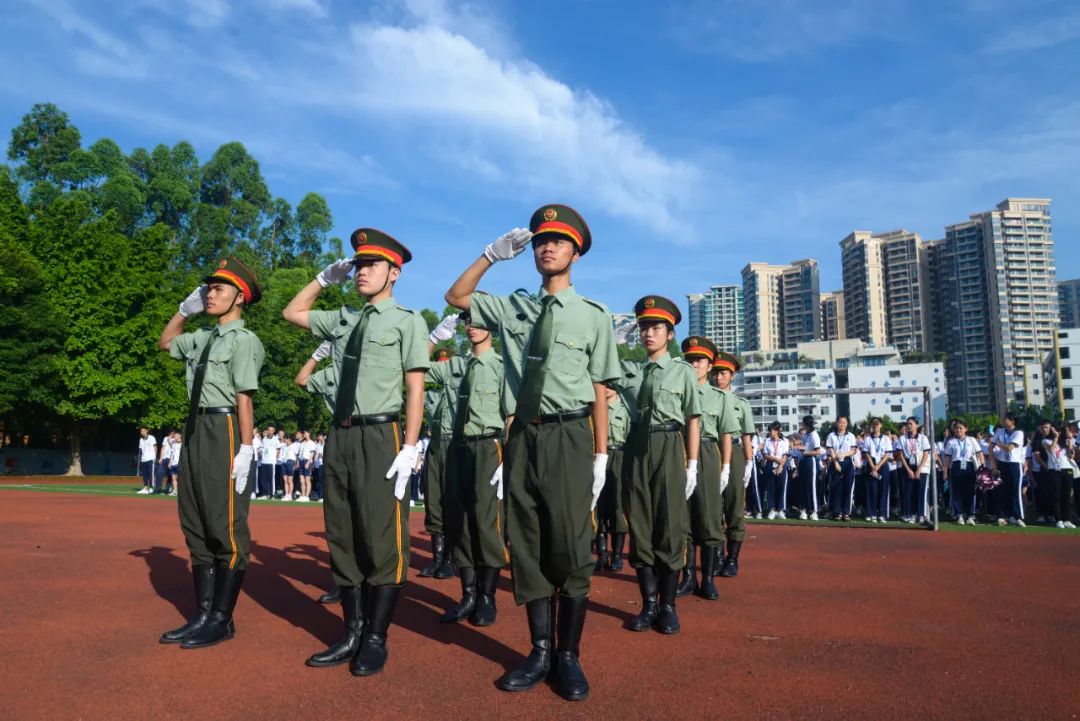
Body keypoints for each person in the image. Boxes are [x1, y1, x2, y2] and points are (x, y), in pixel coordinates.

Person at [444, 205, 619, 701]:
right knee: (527, 543)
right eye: (541, 240)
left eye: (558, 241)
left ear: (576, 253)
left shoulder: (594, 316)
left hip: (569, 434)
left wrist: (601, 455)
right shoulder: (513, 308)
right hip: (522, 435)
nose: (547, 247)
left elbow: (600, 387)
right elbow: (456, 296)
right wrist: (489, 256)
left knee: (570, 544)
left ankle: (569, 656)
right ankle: (539, 651)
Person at [285, 228, 427, 677]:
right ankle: (350, 633)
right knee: (342, 535)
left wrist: (410, 446)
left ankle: (376, 638)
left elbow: (416, 388)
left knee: (380, 536)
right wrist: (322, 279)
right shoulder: (343, 318)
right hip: (340, 435)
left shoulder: (407, 321)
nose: (361, 271)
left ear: (394, 273)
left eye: (371, 265)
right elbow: (292, 312)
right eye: (358, 265)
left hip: (380, 435)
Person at [156, 256, 265, 648]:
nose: (210, 294)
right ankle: (202, 614)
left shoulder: (244, 341)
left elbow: (244, 398)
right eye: (208, 289)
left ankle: (221, 619)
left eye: (218, 289)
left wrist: (246, 448)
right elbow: (166, 342)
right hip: (195, 428)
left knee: (225, 523)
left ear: (240, 297)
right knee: (196, 520)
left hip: (225, 429)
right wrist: (183, 311)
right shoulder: (203, 338)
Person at [438, 311, 509, 627]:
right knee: (460, 522)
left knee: (486, 522)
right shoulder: (461, 365)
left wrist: (508, 459)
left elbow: (511, 415)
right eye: (467, 322)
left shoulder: (502, 367)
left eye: (478, 322)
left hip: (488, 446)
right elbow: (416, 363)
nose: (471, 327)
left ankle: (486, 597)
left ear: (491, 327)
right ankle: (467, 595)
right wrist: (436, 338)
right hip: (460, 446)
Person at [675, 336, 727, 600]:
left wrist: (726, 466)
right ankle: (687, 578)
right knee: (682, 518)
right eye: (690, 360)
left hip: (707, 453)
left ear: (710, 365)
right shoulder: (677, 390)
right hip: (679, 450)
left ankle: (707, 578)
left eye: (699, 360)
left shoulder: (718, 397)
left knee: (708, 517)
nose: (694, 364)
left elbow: (725, 433)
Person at [421, 339, 463, 580]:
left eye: (446, 362)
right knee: (433, 502)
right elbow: (416, 367)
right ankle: (437, 558)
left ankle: (450, 558)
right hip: (435, 446)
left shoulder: (460, 381)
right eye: (439, 362)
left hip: (454, 445)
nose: (442, 366)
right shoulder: (427, 393)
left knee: (452, 502)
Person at [710, 351, 753, 578]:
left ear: (732, 375)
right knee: (712, 507)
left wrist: (749, 461)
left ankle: (732, 558)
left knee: (734, 505)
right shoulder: (706, 398)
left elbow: (746, 435)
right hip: (711, 450)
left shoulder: (740, 404)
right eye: (716, 373)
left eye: (723, 373)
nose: (719, 378)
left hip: (735, 454)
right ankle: (716, 557)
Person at [596, 363, 636, 573]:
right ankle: (602, 554)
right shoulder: (594, 407)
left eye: (610, 384)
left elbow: (631, 437)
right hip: (598, 457)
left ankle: (617, 555)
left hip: (619, 456)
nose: (607, 388)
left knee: (618, 507)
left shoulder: (625, 409)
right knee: (598, 506)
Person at [942, 419, 983, 525]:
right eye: (956, 428)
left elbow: (979, 454)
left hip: (969, 466)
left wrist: (982, 468)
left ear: (966, 429)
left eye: (961, 428)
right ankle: (959, 514)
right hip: (956, 466)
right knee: (957, 492)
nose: (958, 430)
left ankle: (970, 515)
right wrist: (945, 471)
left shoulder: (972, 440)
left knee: (971, 491)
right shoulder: (951, 442)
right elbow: (947, 458)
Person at [898, 417, 932, 525]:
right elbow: (901, 455)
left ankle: (921, 514)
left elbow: (926, 454)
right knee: (909, 491)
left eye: (911, 424)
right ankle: (910, 514)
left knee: (921, 491)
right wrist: (908, 470)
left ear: (916, 425)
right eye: (907, 424)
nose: (908, 426)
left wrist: (919, 469)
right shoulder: (903, 438)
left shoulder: (923, 438)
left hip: (921, 467)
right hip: (908, 466)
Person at [825, 416, 857, 521]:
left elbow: (853, 450)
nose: (842, 424)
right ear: (836, 423)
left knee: (848, 488)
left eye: (844, 423)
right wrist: (836, 463)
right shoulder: (831, 435)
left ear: (847, 424)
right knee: (836, 488)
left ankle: (846, 512)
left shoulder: (851, 435)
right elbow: (830, 450)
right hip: (835, 463)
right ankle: (837, 512)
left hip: (847, 462)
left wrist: (844, 454)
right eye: (840, 422)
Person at [861, 418, 892, 523]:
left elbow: (888, 453)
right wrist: (873, 466)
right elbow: (866, 453)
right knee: (871, 489)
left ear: (881, 425)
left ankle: (882, 514)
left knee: (883, 490)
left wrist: (878, 465)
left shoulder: (886, 438)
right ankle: (871, 513)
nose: (875, 426)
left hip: (883, 464)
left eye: (877, 424)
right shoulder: (867, 438)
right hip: (871, 464)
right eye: (873, 425)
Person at [797, 416, 823, 521]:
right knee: (803, 486)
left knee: (811, 486)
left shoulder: (814, 435)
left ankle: (814, 511)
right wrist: (801, 448)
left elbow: (818, 451)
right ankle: (804, 509)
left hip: (811, 461)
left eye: (803, 423)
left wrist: (805, 452)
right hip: (803, 460)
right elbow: (805, 447)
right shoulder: (805, 435)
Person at [761, 423, 789, 519]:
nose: (770, 432)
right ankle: (771, 509)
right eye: (769, 430)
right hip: (770, 465)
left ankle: (780, 509)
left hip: (781, 465)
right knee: (770, 488)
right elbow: (766, 455)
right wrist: (776, 459)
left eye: (772, 430)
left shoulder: (785, 441)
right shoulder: (767, 441)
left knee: (781, 488)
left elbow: (785, 455)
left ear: (777, 431)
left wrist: (780, 466)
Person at [137, 427, 157, 494]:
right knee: (144, 474)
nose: (142, 432)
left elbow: (155, 447)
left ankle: (151, 488)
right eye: (141, 431)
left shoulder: (152, 438)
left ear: (147, 431)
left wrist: (155, 457)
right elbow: (141, 450)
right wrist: (140, 458)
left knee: (150, 473)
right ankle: (145, 488)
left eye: (143, 431)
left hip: (151, 458)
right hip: (143, 459)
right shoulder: (141, 440)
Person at [168, 431, 182, 497]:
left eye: (176, 435)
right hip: (173, 463)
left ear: (180, 435)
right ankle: (175, 491)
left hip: (179, 463)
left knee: (180, 478)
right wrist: (170, 462)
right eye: (174, 435)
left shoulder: (182, 444)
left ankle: (181, 492)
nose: (174, 436)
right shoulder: (173, 443)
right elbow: (172, 454)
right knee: (173, 478)